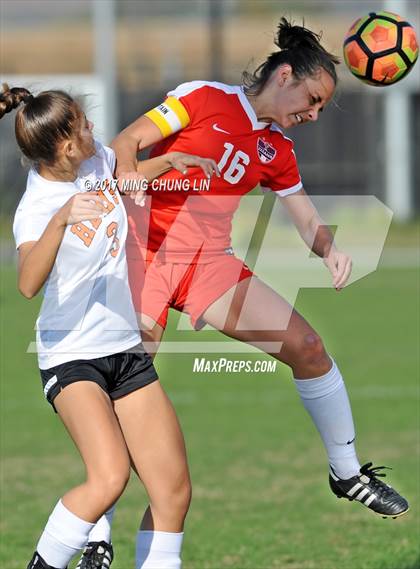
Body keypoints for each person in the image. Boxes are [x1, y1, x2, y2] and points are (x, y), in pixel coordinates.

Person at [82, 17, 409, 569]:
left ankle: (347, 472)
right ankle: (97, 530)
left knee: (308, 348)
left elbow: (306, 217)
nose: (313, 113)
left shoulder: (276, 148)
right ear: (284, 75)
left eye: (322, 107)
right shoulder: (203, 98)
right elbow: (124, 144)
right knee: (124, 385)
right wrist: (134, 176)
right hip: (147, 256)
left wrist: (328, 248)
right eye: (312, 98)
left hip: (210, 265)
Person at [1, 84, 217, 569]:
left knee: (172, 490)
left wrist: (172, 161)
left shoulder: (94, 158)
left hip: (126, 349)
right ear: (64, 146)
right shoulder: (36, 207)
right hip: (71, 357)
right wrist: (61, 220)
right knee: (109, 477)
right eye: (82, 126)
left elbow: (125, 176)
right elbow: (27, 284)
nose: (93, 130)